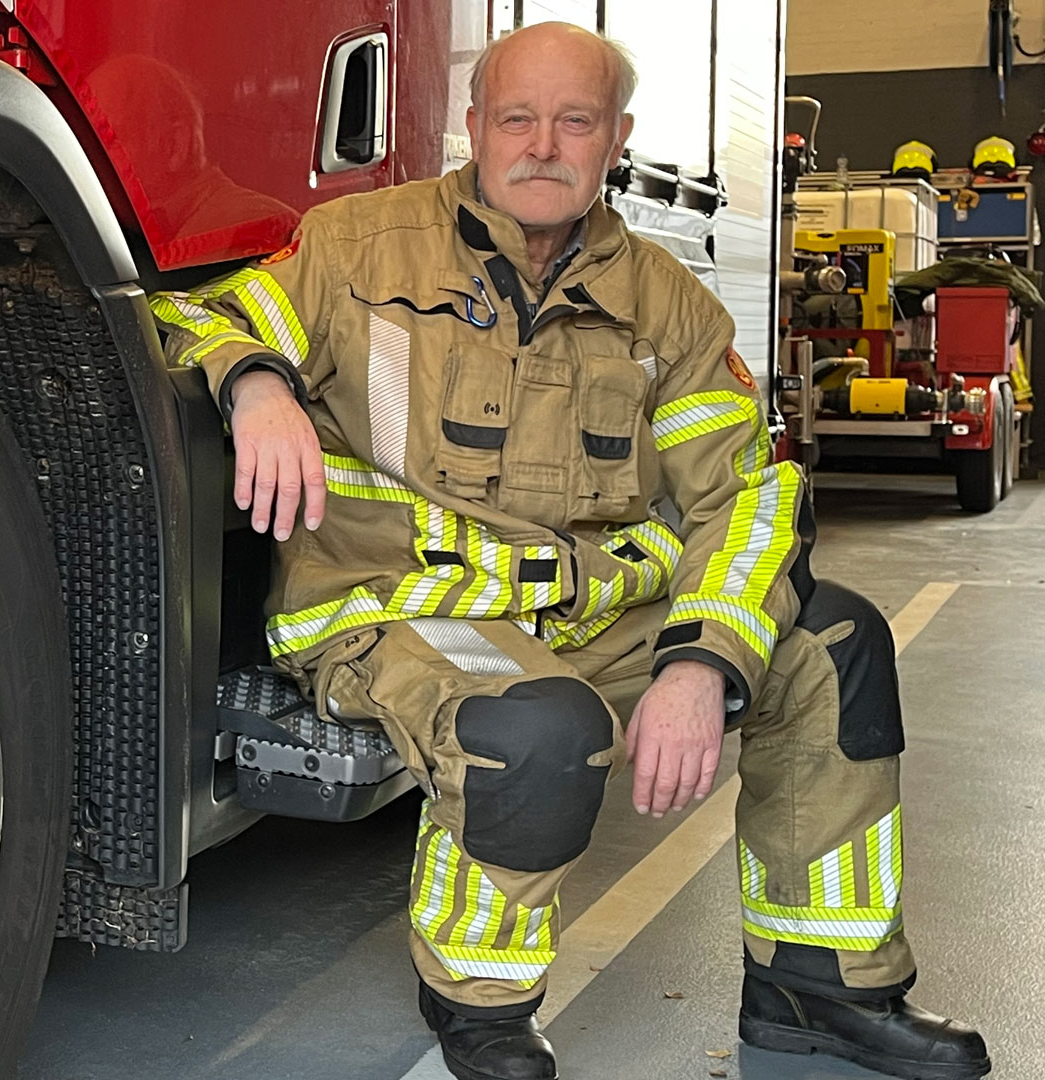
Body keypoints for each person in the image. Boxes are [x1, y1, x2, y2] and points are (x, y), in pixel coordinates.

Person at [149, 22, 988, 1080]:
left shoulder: (666, 304)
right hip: (410, 608)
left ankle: (818, 990)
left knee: (833, 645)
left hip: (592, 617)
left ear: (616, 138)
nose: (542, 144)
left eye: (575, 120)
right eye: (517, 117)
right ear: (474, 127)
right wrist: (257, 381)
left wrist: (702, 658)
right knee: (535, 730)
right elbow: (202, 314)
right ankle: (481, 1003)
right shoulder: (357, 245)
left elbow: (748, 492)